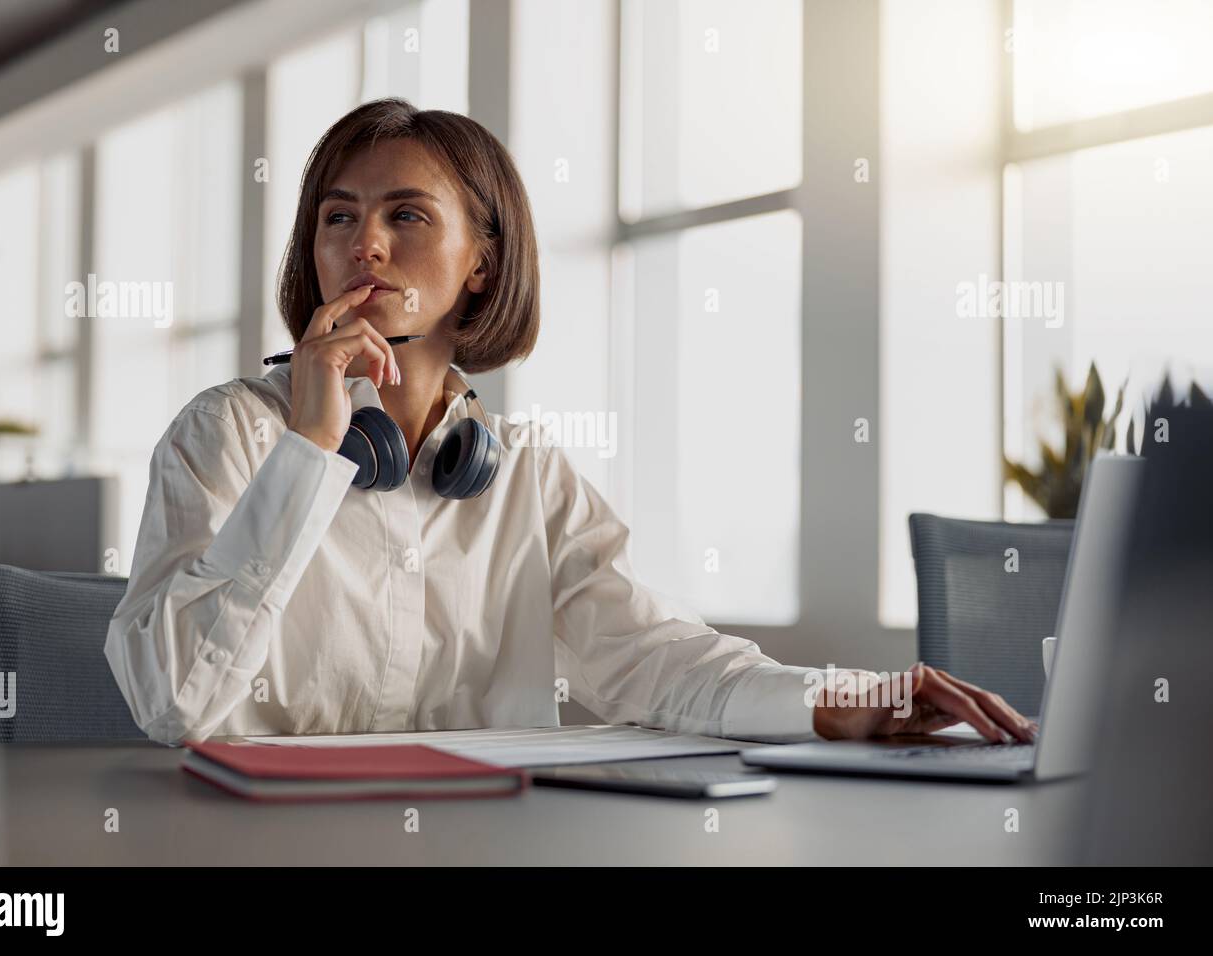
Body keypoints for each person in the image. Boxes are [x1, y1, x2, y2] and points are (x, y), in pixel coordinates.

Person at [104, 97, 1035, 748]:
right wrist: (308, 448)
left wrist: (844, 697)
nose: (364, 245)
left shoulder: (523, 477)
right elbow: (175, 703)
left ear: (481, 262)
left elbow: (659, 663)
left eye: (407, 216)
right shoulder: (225, 436)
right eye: (338, 217)